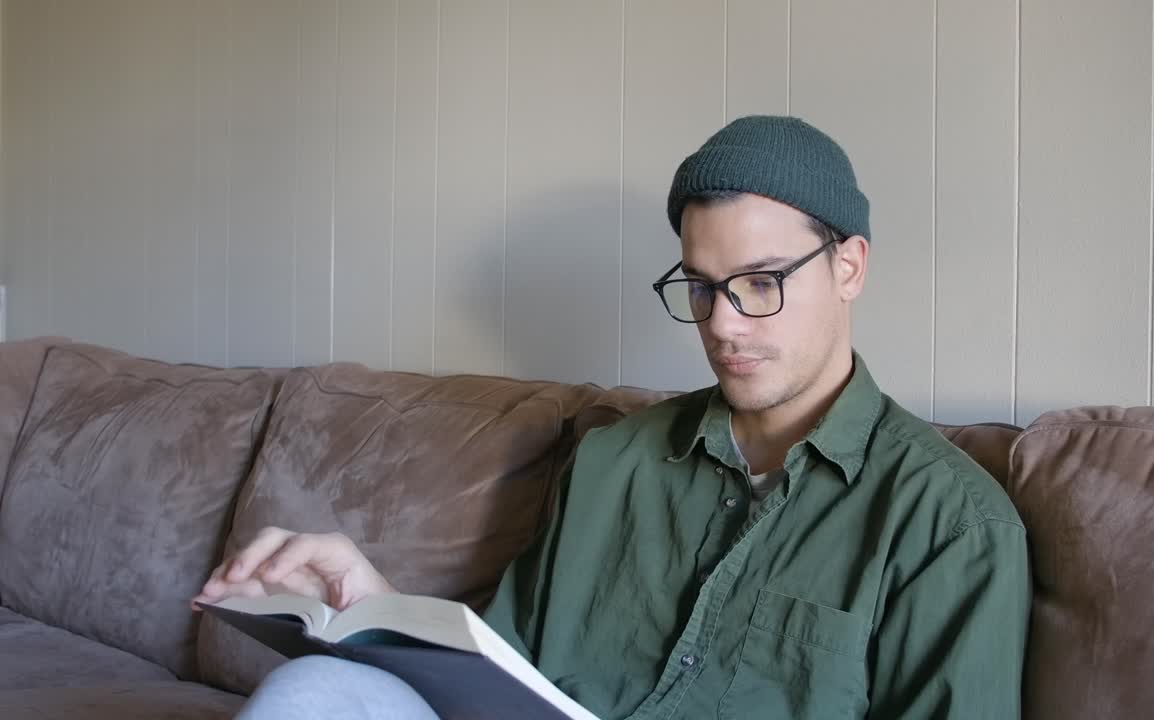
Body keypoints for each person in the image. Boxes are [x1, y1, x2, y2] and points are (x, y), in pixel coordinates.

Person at [194, 115, 1031, 719]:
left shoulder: (950, 524)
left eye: (762, 282)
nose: (724, 323)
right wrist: (371, 612)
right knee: (317, 695)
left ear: (849, 267)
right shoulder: (614, 462)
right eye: (701, 287)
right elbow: (502, 679)